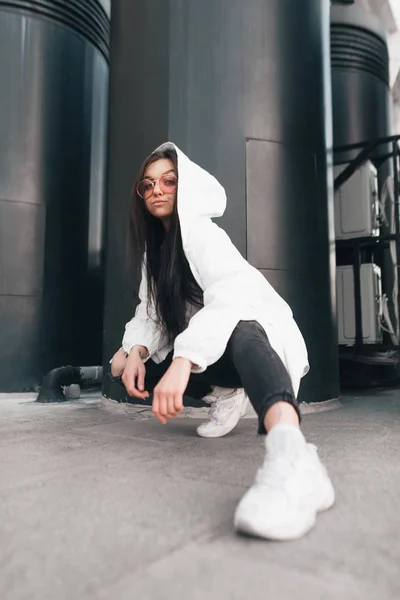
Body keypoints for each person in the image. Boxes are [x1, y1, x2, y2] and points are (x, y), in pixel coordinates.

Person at [110, 142, 335, 541]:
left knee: (243, 326)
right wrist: (135, 351)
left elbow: (234, 300)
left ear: (186, 186)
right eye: (148, 185)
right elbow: (150, 314)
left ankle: (292, 452)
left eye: (169, 181)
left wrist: (184, 361)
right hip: (214, 348)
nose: (157, 190)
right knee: (120, 362)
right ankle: (225, 394)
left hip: (257, 344)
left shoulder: (202, 235)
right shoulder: (155, 252)